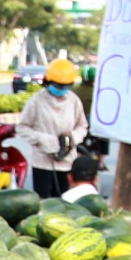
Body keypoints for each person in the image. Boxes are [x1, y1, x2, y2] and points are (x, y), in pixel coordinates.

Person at [16, 58, 91, 199]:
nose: (62, 90)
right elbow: (22, 127)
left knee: (63, 202)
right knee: (43, 202)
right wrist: (44, 140)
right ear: (48, 82)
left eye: (65, 86)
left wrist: (71, 138)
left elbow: (82, 126)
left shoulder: (73, 100)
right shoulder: (36, 101)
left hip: (67, 162)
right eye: (58, 86)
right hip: (42, 161)